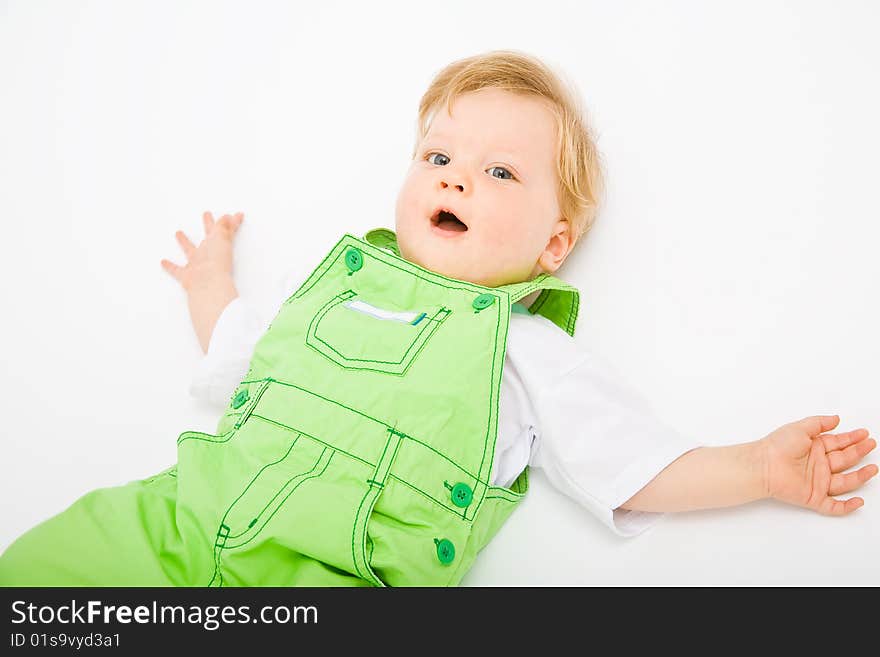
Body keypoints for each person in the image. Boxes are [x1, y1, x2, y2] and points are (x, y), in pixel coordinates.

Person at [1, 50, 875, 587]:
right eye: (440, 156)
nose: (456, 178)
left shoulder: (521, 348)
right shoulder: (330, 291)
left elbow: (634, 465)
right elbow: (240, 354)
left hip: (337, 577)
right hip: (179, 520)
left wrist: (759, 466)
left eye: (501, 174)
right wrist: (210, 279)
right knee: (39, 583)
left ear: (553, 244)